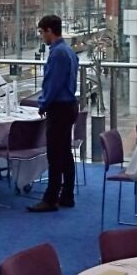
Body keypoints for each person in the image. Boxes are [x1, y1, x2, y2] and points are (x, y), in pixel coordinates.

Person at [29, 15, 78, 212]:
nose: (41, 36)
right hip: (70, 106)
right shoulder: (69, 51)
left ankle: (50, 199)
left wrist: (43, 103)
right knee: (65, 153)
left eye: (42, 32)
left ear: (50, 30)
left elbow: (53, 83)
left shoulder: (57, 53)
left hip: (59, 107)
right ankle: (67, 196)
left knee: (55, 155)